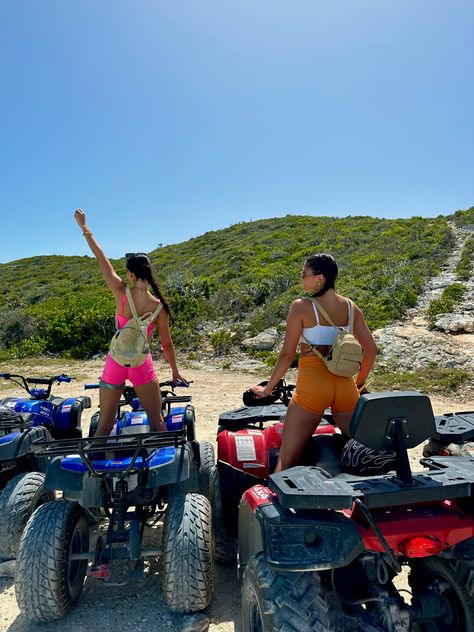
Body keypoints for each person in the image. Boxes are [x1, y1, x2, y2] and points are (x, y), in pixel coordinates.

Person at [251, 253, 377, 472]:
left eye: (304, 274)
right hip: (346, 387)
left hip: (312, 389)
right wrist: (359, 383)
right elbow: (371, 350)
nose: (301, 278)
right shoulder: (350, 307)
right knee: (363, 456)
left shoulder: (301, 306)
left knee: (286, 460)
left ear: (319, 278)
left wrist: (268, 389)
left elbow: (287, 355)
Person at [74, 208, 187, 436]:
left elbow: (101, 257)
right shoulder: (159, 307)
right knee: (157, 424)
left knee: (104, 427)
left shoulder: (120, 292)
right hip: (141, 365)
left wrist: (84, 227)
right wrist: (175, 371)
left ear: (132, 275)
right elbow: (167, 344)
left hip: (115, 362)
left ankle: (92, 470)